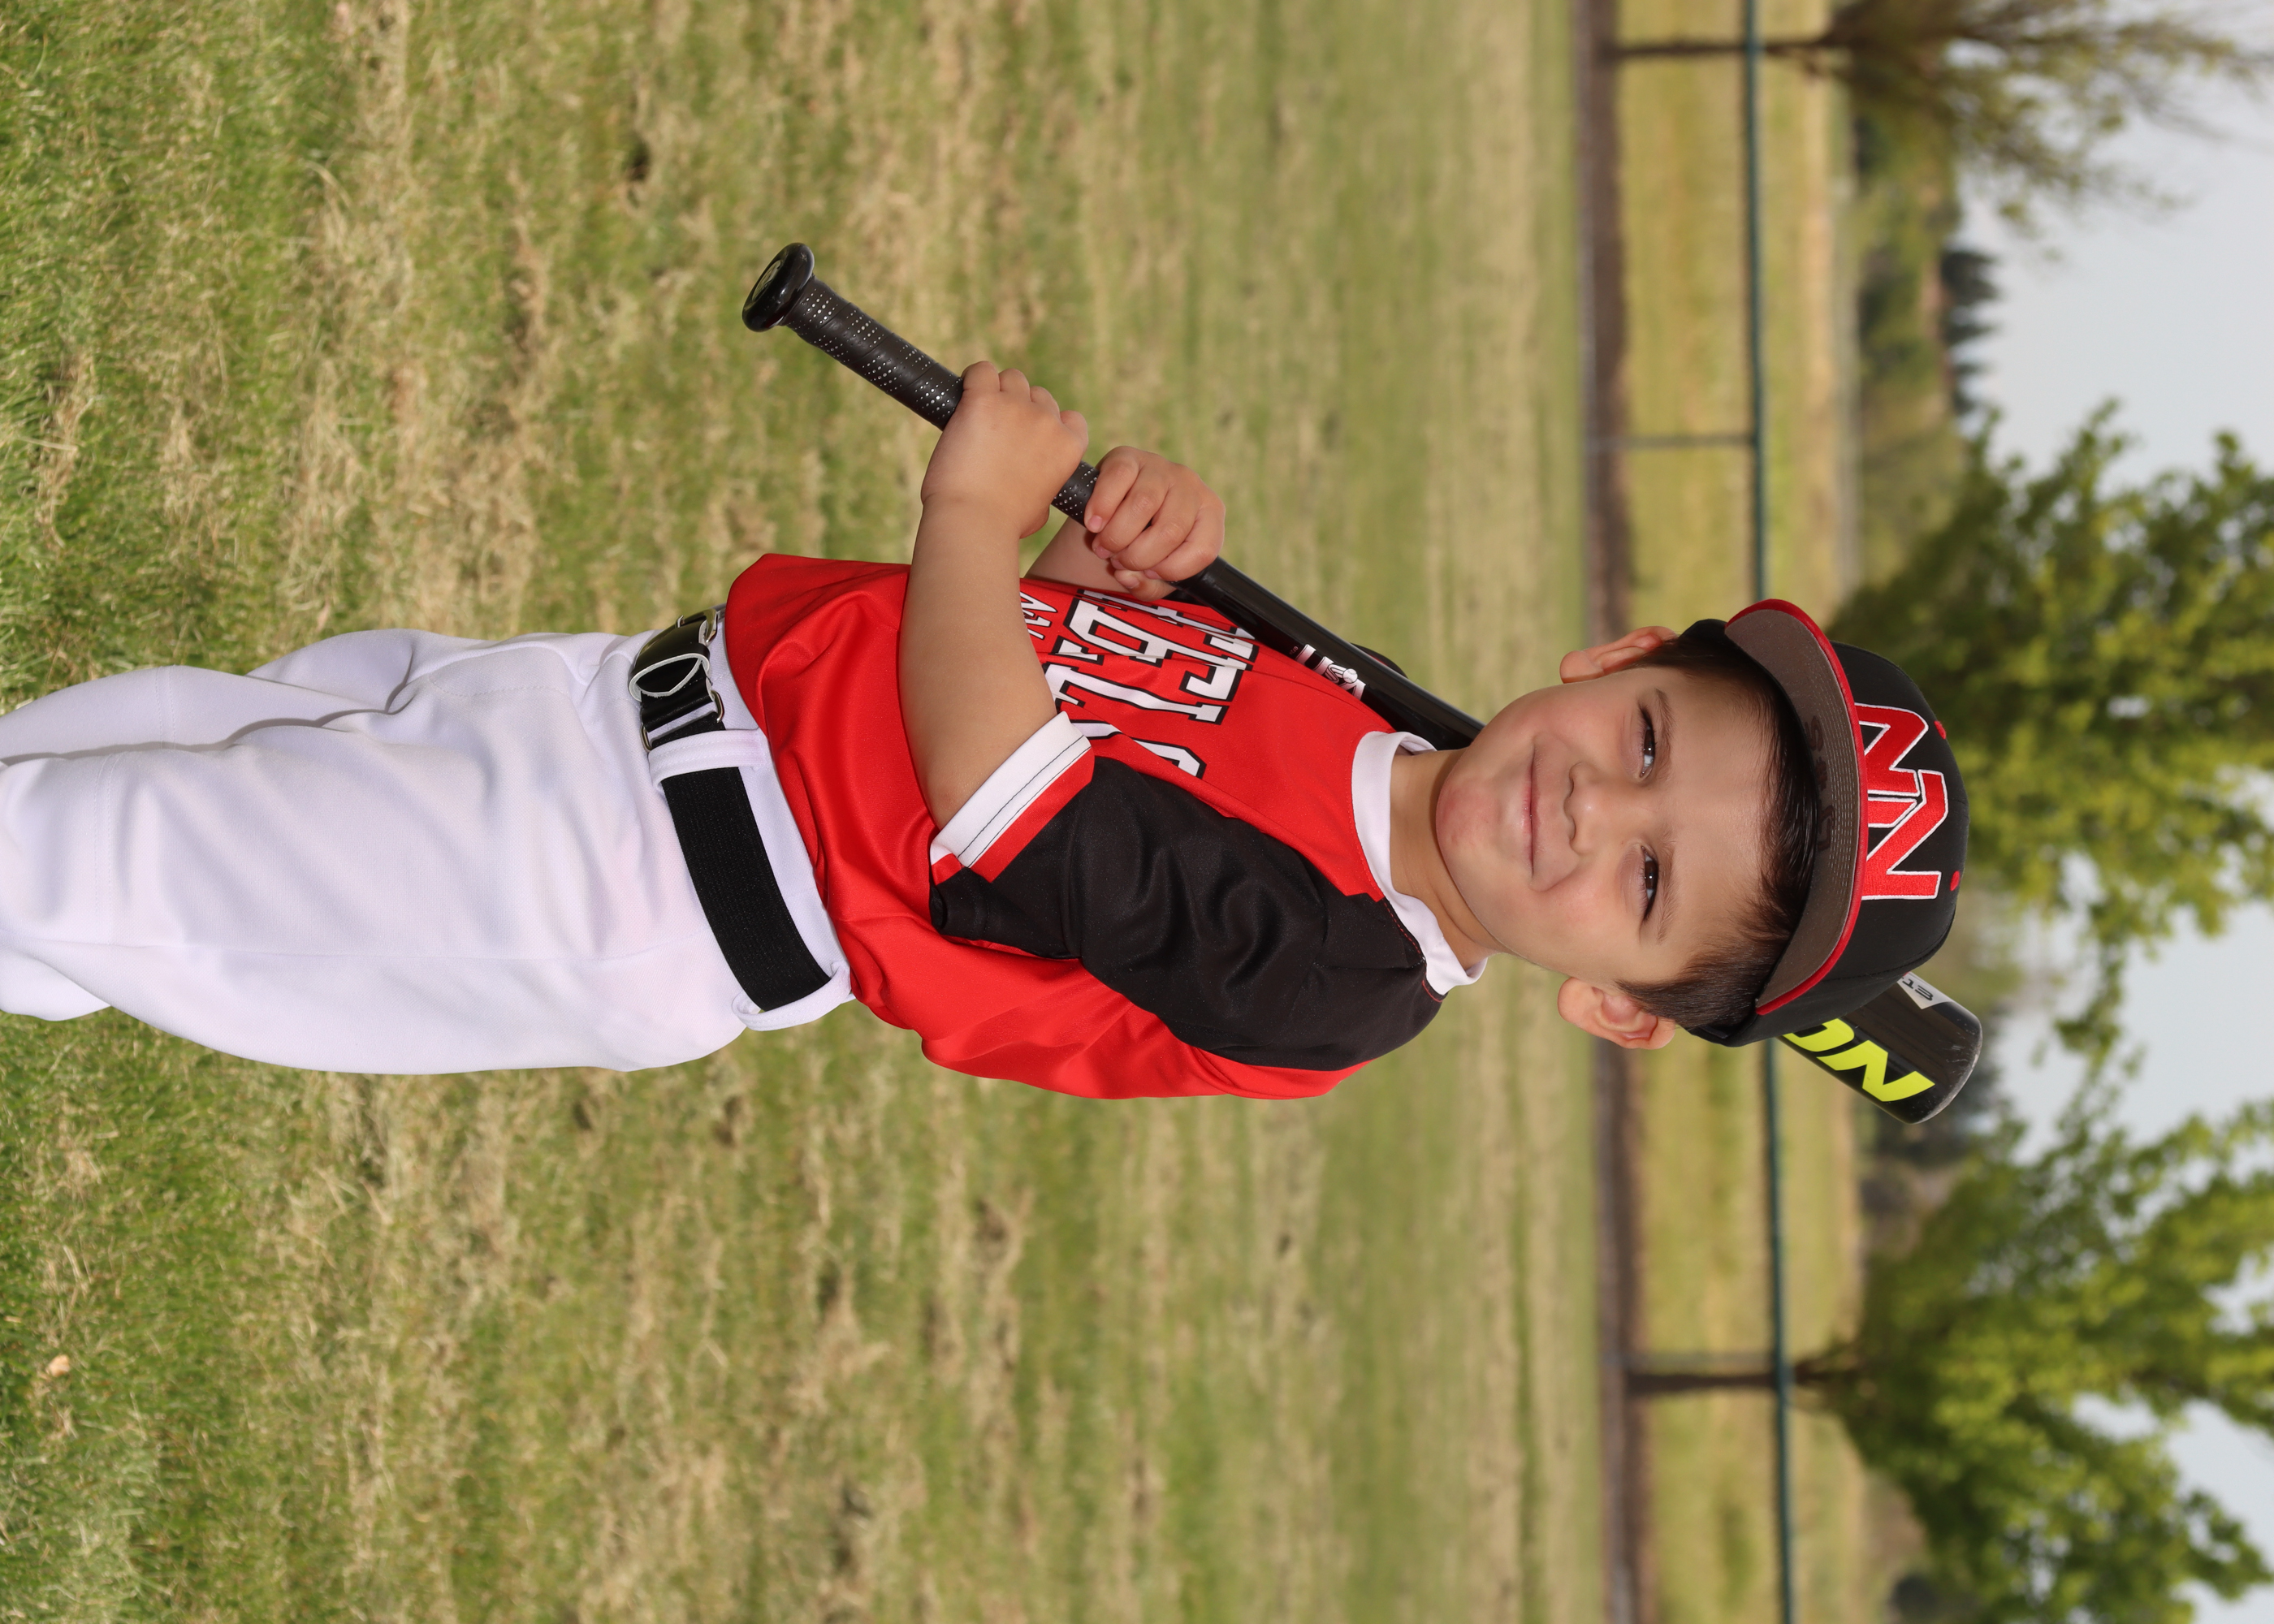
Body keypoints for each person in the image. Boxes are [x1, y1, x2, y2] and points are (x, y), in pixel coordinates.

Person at [0, 363, 1967, 1095]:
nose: (1587, 810)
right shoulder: (1375, 719)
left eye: (1647, 887)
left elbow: (1015, 811)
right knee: (108, 773)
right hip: (605, 704)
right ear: (1616, 652)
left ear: (1614, 1004)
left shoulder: (1337, 979)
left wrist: (967, 513)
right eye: (1647, 742)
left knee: (97, 863)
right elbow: (1077, 682)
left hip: (631, 887)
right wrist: (1115, 562)